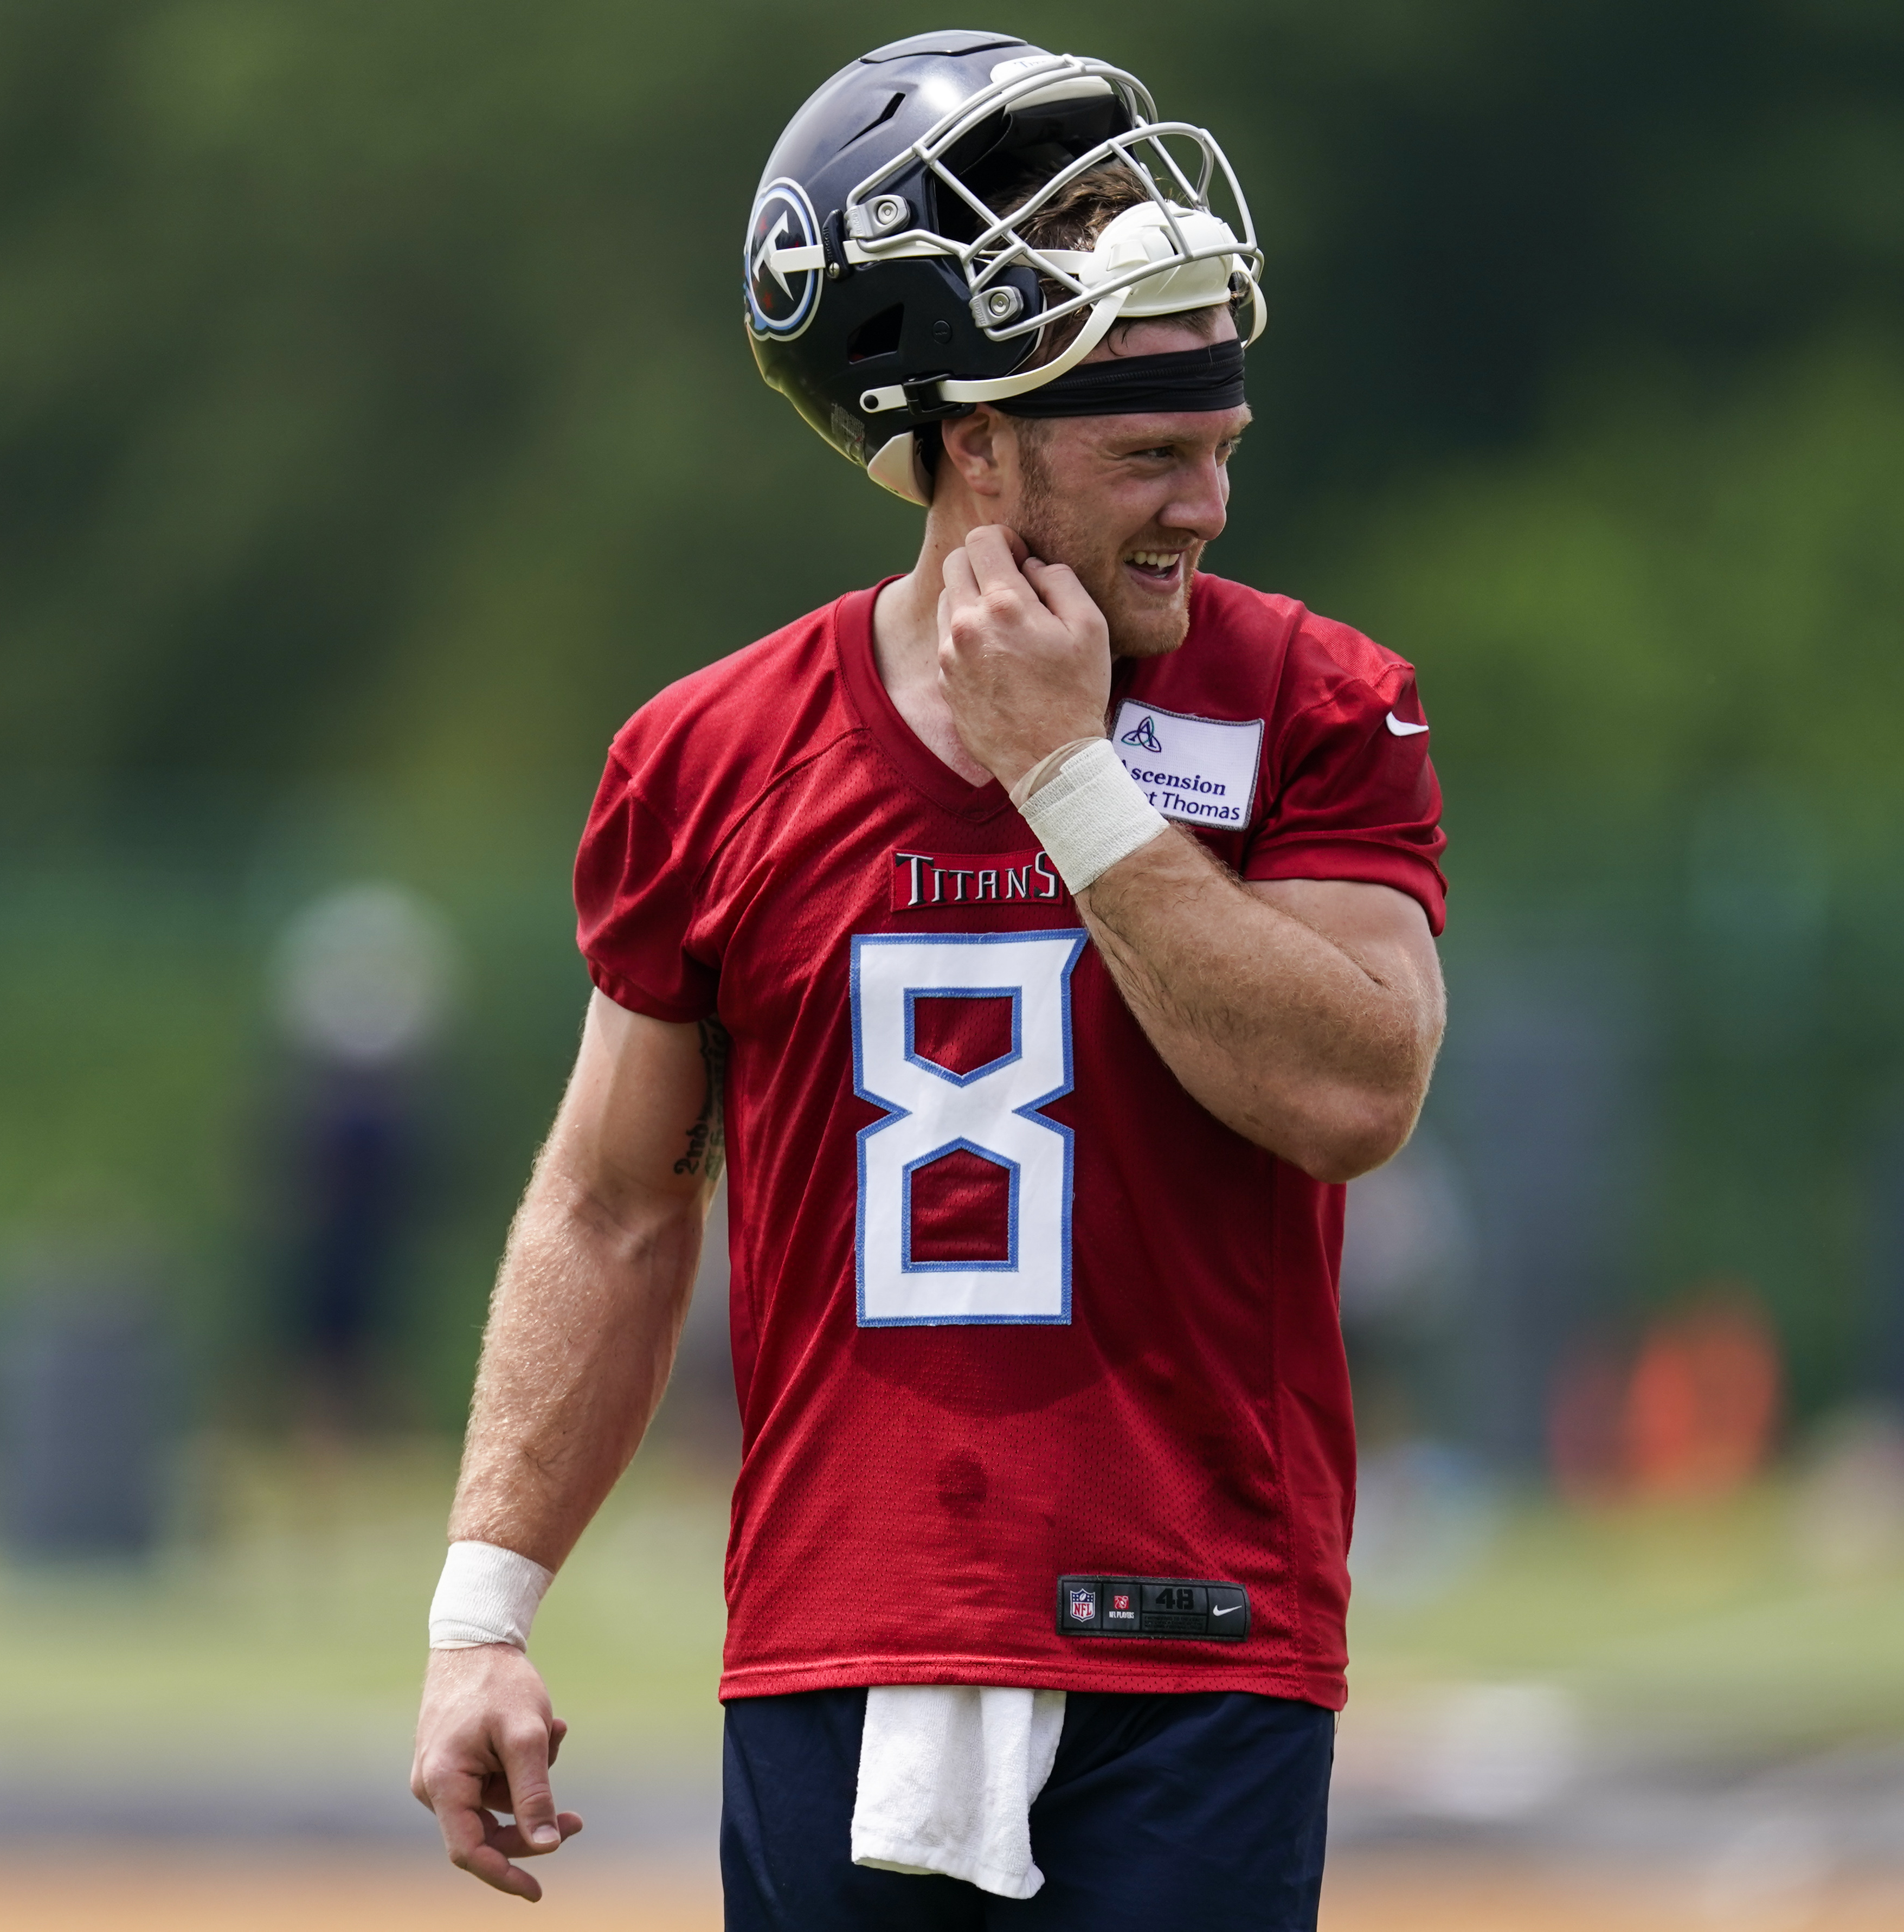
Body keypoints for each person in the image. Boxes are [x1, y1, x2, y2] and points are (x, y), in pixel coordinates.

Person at [409, 33, 1446, 1923]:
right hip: (838, 1638)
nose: (1205, 507)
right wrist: (482, 1613)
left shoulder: (1314, 700)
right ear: (970, 438)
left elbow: (1354, 1090)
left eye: (1220, 447)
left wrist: (1066, 775)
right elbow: (612, 1201)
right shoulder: (709, 752)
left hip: (1198, 1643)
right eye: (1148, 453)